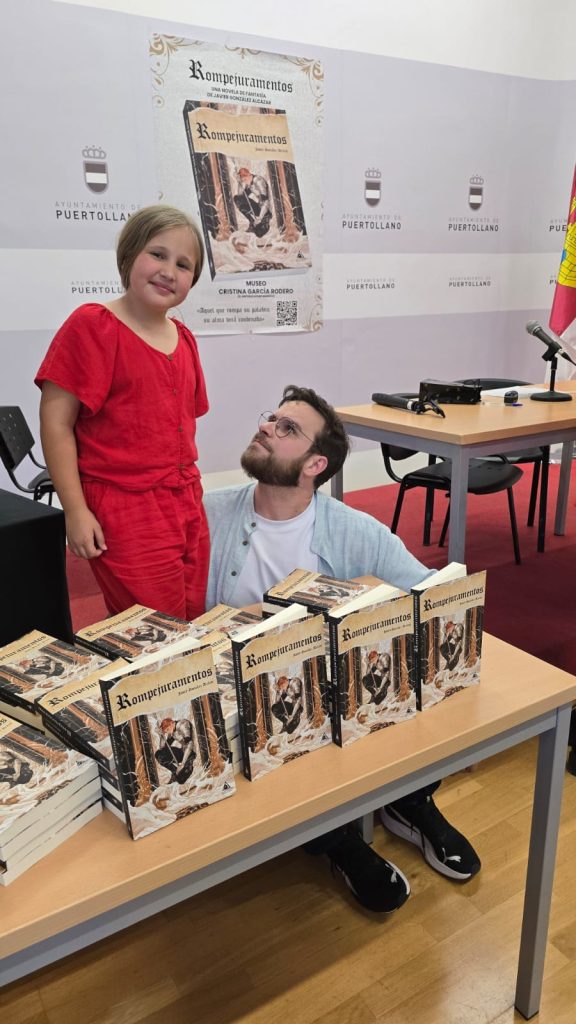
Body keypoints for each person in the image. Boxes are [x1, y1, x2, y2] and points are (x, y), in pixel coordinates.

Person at [204, 384, 481, 914]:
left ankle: (410, 803)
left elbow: (432, 594)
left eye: (287, 428)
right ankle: (338, 841)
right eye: (271, 418)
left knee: (400, 688)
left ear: (315, 464)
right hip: (253, 699)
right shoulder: (208, 514)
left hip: (334, 692)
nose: (266, 427)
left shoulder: (355, 531)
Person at [36, 205, 209, 621]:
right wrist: (75, 511)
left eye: (184, 265)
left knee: (191, 616)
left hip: (186, 503)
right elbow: (56, 424)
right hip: (124, 507)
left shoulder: (183, 339)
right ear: (129, 256)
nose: (169, 270)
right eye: (158, 254)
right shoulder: (93, 326)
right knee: (154, 630)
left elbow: (180, 428)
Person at [154, 716, 196, 785]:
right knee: (159, 754)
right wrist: (161, 735)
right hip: (182, 752)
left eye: (167, 729)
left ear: (171, 723)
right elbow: (163, 748)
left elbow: (189, 744)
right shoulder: (172, 731)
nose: (168, 732)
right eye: (166, 731)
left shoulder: (183, 724)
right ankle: (174, 771)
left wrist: (182, 764)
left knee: (181, 779)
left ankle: (180, 772)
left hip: (190, 754)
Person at [233, 167, 272, 237]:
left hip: (265, 210)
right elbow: (240, 195)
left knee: (259, 233)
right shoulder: (249, 183)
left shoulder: (258, 181)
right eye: (243, 180)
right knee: (237, 199)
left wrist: (260, 218)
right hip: (258, 206)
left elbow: (266, 202)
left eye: (245, 179)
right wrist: (239, 182)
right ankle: (252, 222)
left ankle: (261, 223)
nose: (244, 182)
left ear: (248, 175)